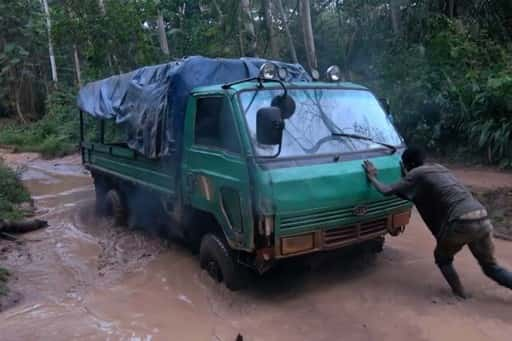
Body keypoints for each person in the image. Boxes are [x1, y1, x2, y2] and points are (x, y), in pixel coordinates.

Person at [362, 146, 512, 298]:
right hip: (481, 216)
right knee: (491, 267)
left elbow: (386, 190)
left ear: (408, 164)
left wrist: (372, 176)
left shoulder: (415, 173)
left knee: (442, 258)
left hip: (461, 221)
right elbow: (417, 191)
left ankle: (460, 294)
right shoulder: (439, 168)